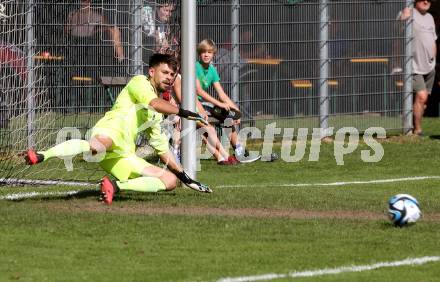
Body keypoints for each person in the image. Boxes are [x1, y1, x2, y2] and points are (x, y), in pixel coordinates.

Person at [24, 53, 212, 205]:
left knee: (170, 181)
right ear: (152, 72)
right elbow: (153, 103)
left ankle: (114, 187)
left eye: (172, 74)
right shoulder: (140, 82)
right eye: (165, 73)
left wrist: (187, 179)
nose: (169, 78)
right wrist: (185, 113)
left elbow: (162, 150)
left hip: (122, 154)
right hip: (111, 130)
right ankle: (41, 155)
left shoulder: (156, 114)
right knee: (100, 144)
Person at [195, 39, 260, 163]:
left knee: (229, 117)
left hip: (203, 104)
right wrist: (219, 104)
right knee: (207, 128)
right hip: (191, 103)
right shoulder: (195, 67)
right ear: (199, 53)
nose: (206, 54)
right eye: (203, 52)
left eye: (209, 52)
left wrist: (235, 109)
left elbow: (222, 94)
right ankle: (223, 156)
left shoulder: (212, 70)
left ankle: (239, 152)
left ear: (214, 54)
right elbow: (198, 91)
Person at [172, 75, 240, 165]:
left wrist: (202, 112)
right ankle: (226, 156)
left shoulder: (188, 74)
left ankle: (221, 158)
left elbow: (195, 99)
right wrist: (197, 115)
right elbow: (183, 101)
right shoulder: (177, 78)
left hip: (188, 112)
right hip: (179, 112)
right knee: (208, 129)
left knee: (204, 131)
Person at [399, 0, 437, 135]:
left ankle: (409, 121)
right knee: (421, 96)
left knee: (424, 99)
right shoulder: (409, 12)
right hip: (414, 66)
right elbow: (397, 29)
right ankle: (417, 130)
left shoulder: (430, 17)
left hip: (430, 66)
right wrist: (403, 19)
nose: (426, 1)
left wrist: (434, 58)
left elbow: (433, 40)